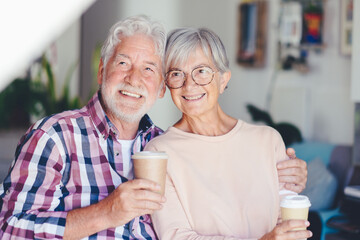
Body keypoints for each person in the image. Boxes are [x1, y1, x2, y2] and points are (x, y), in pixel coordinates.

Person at [0, 16, 306, 239]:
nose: (134, 79)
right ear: (101, 71)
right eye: (123, 63)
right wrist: (107, 212)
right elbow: (9, 230)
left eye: (149, 69)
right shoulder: (54, 137)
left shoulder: (158, 145)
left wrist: (287, 173)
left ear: (160, 88)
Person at [145, 27, 313, 240]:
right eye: (177, 74)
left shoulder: (268, 141)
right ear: (167, 83)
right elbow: (176, 236)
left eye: (202, 71)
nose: (189, 84)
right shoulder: (159, 153)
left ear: (223, 80)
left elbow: (287, 221)